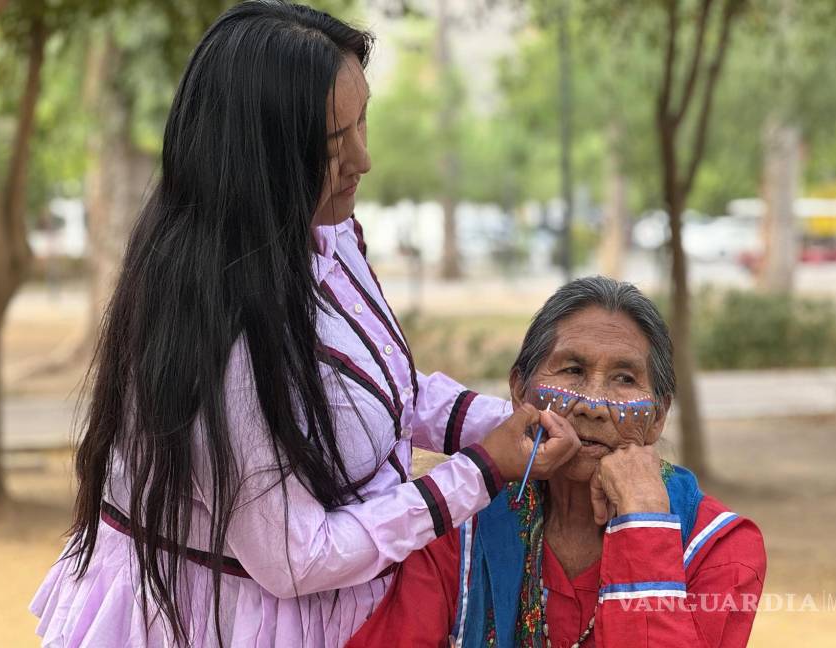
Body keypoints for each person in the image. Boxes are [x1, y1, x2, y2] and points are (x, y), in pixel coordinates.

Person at [29, 2, 578, 647]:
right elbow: (297, 558)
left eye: (362, 119)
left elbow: (391, 390)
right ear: (258, 162)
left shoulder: (323, 237)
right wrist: (483, 470)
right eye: (331, 143)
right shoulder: (224, 338)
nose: (363, 159)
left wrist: (516, 426)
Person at [347, 276, 767, 648]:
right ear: (519, 392)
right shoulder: (461, 523)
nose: (593, 406)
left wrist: (644, 526)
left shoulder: (720, 548)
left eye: (624, 379)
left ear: (657, 417)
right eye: (572, 370)